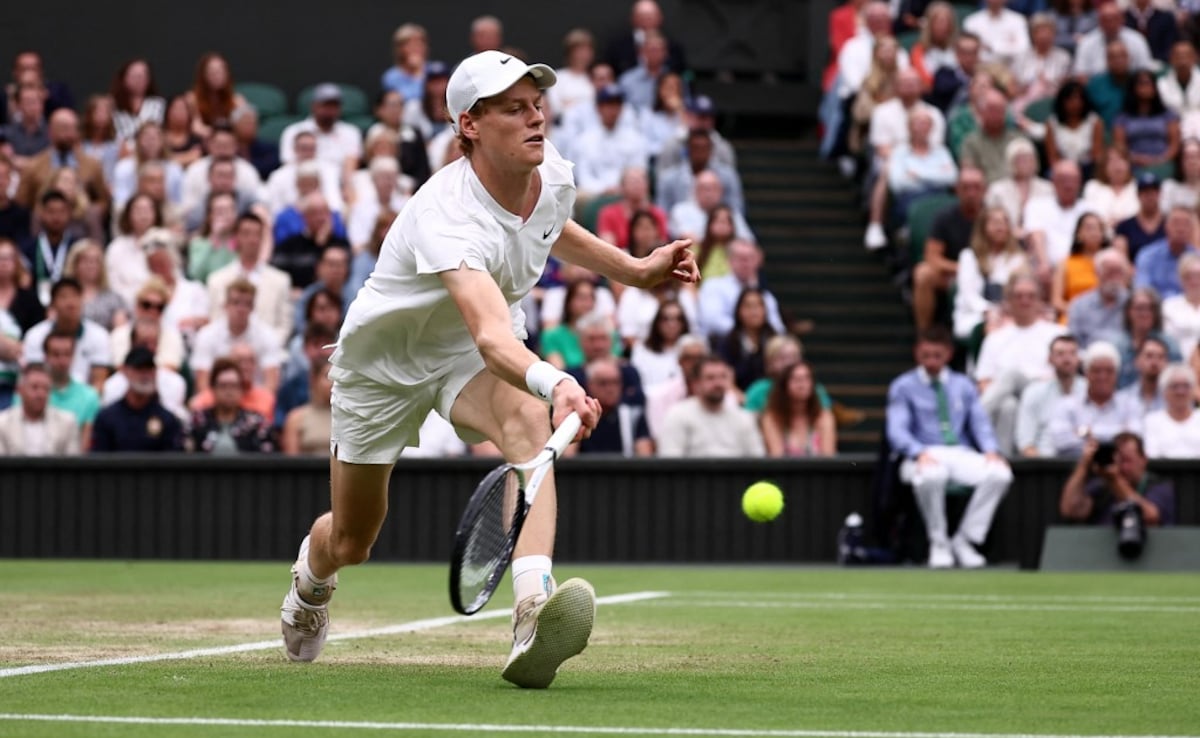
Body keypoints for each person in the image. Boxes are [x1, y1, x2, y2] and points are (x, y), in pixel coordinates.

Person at [279, 51, 699, 689]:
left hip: (469, 356)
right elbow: (492, 334)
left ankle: (532, 609)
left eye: (537, 105)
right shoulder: (446, 213)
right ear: (469, 126)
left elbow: (551, 227)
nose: (536, 119)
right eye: (514, 109)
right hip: (386, 368)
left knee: (532, 426)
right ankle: (312, 579)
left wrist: (636, 269)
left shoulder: (550, 171)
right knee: (354, 541)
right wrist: (558, 380)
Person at [886, 327, 1012, 569]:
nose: (932, 361)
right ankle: (939, 542)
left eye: (937, 355)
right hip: (921, 453)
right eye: (926, 355)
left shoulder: (964, 385)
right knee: (933, 476)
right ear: (916, 354)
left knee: (1000, 474)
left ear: (949, 354)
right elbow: (897, 429)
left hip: (959, 452)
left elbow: (979, 423)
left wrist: (991, 451)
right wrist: (917, 452)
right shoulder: (902, 386)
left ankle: (965, 539)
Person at [975, 274, 1066, 455]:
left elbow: (1066, 371)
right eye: (1018, 296)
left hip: (1045, 393)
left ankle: (974, 418)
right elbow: (984, 381)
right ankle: (1004, 461)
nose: (1025, 301)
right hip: (1007, 398)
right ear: (1008, 301)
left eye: (1031, 296)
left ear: (1040, 301)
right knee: (1009, 406)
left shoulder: (1056, 333)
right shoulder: (995, 338)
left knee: (1011, 374)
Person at [912, 167, 986, 331]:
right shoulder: (944, 217)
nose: (971, 193)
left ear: (984, 189)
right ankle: (924, 334)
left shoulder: (992, 216)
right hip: (954, 274)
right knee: (923, 273)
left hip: (988, 273)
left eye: (976, 187)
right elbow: (932, 257)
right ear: (957, 190)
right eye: (966, 187)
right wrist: (964, 269)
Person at [1047, 340, 1142, 458]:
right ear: (1086, 373)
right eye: (1096, 371)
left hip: (1122, 471)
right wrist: (1119, 434)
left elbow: (1136, 439)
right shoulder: (1066, 404)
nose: (1102, 377)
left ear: (1117, 374)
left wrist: (1085, 433)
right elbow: (1061, 442)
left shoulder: (1130, 404)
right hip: (1075, 469)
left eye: (1109, 371)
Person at [1059, 432, 1175, 525]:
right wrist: (1084, 464)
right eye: (1118, 461)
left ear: (1143, 459)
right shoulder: (1101, 486)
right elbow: (1070, 510)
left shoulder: (1158, 486)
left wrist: (1115, 480)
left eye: (1127, 461)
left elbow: (1150, 517)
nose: (1122, 467)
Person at [657, 356, 764, 457]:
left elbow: (757, 462)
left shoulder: (743, 418)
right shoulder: (677, 415)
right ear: (696, 384)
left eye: (723, 377)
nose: (718, 383)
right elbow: (670, 463)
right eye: (710, 378)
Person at [192, 278, 283, 395]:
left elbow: (271, 384)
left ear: (253, 308)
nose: (241, 309)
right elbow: (203, 383)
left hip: (255, 398)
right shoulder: (207, 335)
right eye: (236, 302)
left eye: (247, 304)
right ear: (225, 305)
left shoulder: (268, 336)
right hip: (218, 399)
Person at [952, 206, 1030, 341]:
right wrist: (990, 311)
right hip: (975, 315)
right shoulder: (969, 256)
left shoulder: (1018, 258)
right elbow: (969, 296)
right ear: (983, 228)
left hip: (1008, 313)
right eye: (995, 223)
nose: (1000, 227)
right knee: (996, 327)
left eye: (1004, 222)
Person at [21, 277, 111, 393]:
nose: (70, 302)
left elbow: (98, 383)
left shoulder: (99, 335)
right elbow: (33, 379)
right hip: (46, 399)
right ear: (52, 304)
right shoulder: (35, 335)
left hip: (84, 401)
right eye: (63, 297)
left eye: (75, 296)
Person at [89, 346, 184, 452]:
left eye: (149, 370)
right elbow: (98, 461)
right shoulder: (107, 418)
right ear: (125, 371)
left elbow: (174, 463)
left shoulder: (167, 420)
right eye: (139, 369)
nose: (145, 375)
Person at [695, 239, 785, 339]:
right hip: (719, 346)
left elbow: (778, 327)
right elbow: (712, 321)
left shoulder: (765, 295)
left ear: (758, 261)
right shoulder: (713, 285)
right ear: (729, 260)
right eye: (741, 258)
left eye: (750, 258)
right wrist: (747, 333)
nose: (746, 263)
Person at [1016, 334, 1086, 457]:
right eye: (1060, 354)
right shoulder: (1034, 392)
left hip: (1083, 461)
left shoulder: (1090, 390)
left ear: (1079, 359)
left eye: (1072, 353)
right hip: (1044, 464)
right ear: (1049, 359)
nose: (1067, 359)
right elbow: (1026, 444)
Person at [188, 356, 275, 454]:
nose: (229, 392)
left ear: (242, 389)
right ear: (213, 388)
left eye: (234, 386)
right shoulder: (198, 420)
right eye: (223, 386)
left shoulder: (257, 423)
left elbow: (267, 459)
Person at [571, 357, 653, 457]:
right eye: (603, 383)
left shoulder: (633, 415)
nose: (610, 389)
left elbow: (645, 459)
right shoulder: (578, 417)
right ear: (589, 385)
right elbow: (568, 458)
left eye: (615, 382)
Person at [1107, 285, 1184, 388]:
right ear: (1128, 312)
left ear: (1156, 313)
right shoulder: (1116, 346)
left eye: (1150, 308)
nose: (1144, 313)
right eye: (1139, 308)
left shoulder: (1170, 344)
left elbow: (1177, 378)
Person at [760, 361, 837, 458]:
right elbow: (776, 458)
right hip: (784, 471)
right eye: (796, 379)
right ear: (784, 385)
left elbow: (828, 458)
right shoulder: (772, 418)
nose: (802, 384)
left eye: (807, 378)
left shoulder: (824, 416)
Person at [0, 362, 79, 455]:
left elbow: (73, 466)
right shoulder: (2, 424)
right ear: (20, 390)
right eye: (34, 387)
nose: (41, 394)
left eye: (45, 388)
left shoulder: (67, 423)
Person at [1112, 70, 1181, 176]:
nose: (1146, 87)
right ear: (1133, 88)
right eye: (1141, 83)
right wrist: (1135, 158)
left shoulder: (1168, 115)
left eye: (1149, 83)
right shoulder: (1123, 118)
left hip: (1163, 164)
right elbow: (1120, 146)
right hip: (1133, 165)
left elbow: (1174, 144)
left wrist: (1160, 160)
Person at [40, 329, 101, 449]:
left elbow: (85, 444)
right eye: (56, 354)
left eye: (67, 354)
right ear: (45, 357)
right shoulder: (31, 393)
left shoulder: (90, 396)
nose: (62, 361)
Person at [1071, 0, 1154, 79]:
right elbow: (1080, 74)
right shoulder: (1087, 42)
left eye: (1114, 19)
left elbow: (1145, 71)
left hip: (1131, 89)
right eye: (1106, 20)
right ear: (1099, 21)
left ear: (1122, 19)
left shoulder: (1137, 40)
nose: (1110, 24)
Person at [1068, 249, 1131, 348]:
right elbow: (1074, 342)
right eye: (1110, 272)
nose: (1114, 278)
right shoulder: (1079, 305)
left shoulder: (1134, 303)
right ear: (1097, 273)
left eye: (1119, 272)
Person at [1051, 212, 1108, 319]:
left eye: (1098, 228)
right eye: (1089, 228)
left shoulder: (1112, 262)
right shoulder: (1065, 263)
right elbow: (1056, 301)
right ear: (1078, 233)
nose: (1094, 233)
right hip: (1073, 317)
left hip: (1106, 319)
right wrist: (1080, 312)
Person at [1135, 206, 1199, 300]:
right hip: (1157, 310)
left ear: (1192, 229)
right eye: (1176, 223)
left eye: (1186, 224)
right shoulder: (1147, 255)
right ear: (1166, 226)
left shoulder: (1197, 258)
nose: (1181, 229)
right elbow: (1142, 289)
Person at [1143, 363, 1200, 458]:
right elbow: (1152, 455)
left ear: (1193, 390)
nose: (1180, 392)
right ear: (1163, 391)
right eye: (1174, 386)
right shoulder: (1152, 421)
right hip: (1162, 472)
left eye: (1186, 386)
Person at [281, 359, 332, 456]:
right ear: (314, 379)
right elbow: (292, 462)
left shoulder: (350, 418)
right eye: (328, 376)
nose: (333, 382)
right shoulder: (296, 418)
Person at [110, 58, 165, 144]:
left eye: (143, 76)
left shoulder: (160, 104)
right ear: (124, 78)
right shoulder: (112, 107)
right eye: (135, 76)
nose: (139, 80)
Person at [1113, 171, 1166, 260]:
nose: (1149, 197)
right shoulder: (1125, 227)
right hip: (1133, 272)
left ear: (1159, 194)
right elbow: (1120, 258)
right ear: (1138, 195)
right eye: (1145, 193)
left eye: (1153, 192)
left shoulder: (1170, 224)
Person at [1117, 335, 1168, 416]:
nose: (1155, 362)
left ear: (1167, 363)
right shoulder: (1121, 400)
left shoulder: (1173, 400)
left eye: (1160, 357)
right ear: (1137, 361)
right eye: (1149, 356)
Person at [1162, 253, 1200, 360]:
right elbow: (1167, 341)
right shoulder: (1168, 306)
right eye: (1189, 277)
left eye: (1198, 276)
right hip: (1177, 364)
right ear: (1181, 279)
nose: (1195, 281)